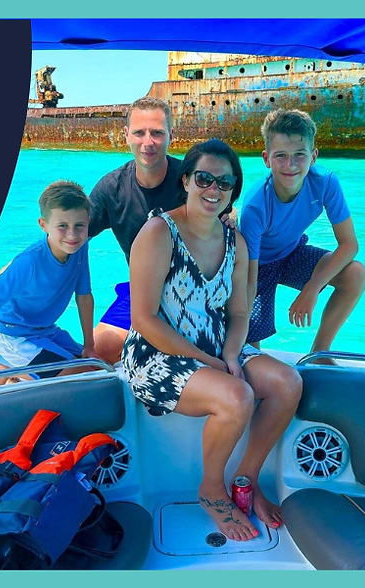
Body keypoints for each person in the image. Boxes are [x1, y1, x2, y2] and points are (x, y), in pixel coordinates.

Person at [122, 139, 302, 541]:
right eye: (204, 178)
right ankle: (211, 488)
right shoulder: (158, 233)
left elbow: (239, 313)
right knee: (236, 396)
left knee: (288, 383)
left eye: (225, 183)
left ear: (233, 191)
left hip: (219, 344)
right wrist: (213, 362)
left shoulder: (234, 242)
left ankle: (247, 481)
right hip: (157, 353)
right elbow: (144, 319)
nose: (213, 189)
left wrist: (232, 354)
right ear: (186, 180)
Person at [88, 96, 234, 365]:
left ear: (171, 135)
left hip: (195, 296)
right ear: (126, 136)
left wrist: (230, 219)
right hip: (145, 293)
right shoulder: (112, 189)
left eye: (157, 133)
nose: (148, 142)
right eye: (139, 133)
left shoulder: (192, 182)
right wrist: (27, 266)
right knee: (97, 353)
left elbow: (226, 213)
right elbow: (71, 236)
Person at [240, 109, 365, 359]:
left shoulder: (326, 182)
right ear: (266, 159)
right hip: (256, 266)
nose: (291, 165)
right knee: (250, 353)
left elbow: (349, 245)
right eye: (281, 156)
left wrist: (312, 287)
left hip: (291, 252)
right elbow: (248, 278)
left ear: (313, 156)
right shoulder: (255, 206)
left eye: (300, 154)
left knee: (355, 274)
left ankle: (321, 352)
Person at [0, 180, 99, 389]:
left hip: (44, 331)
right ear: (44, 225)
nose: (72, 234)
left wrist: (90, 345)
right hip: (9, 335)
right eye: (62, 226)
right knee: (80, 379)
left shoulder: (80, 248)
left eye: (79, 225)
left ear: (88, 222)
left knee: (96, 369)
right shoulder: (29, 263)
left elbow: (83, 296)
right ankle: (8, 372)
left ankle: (13, 375)